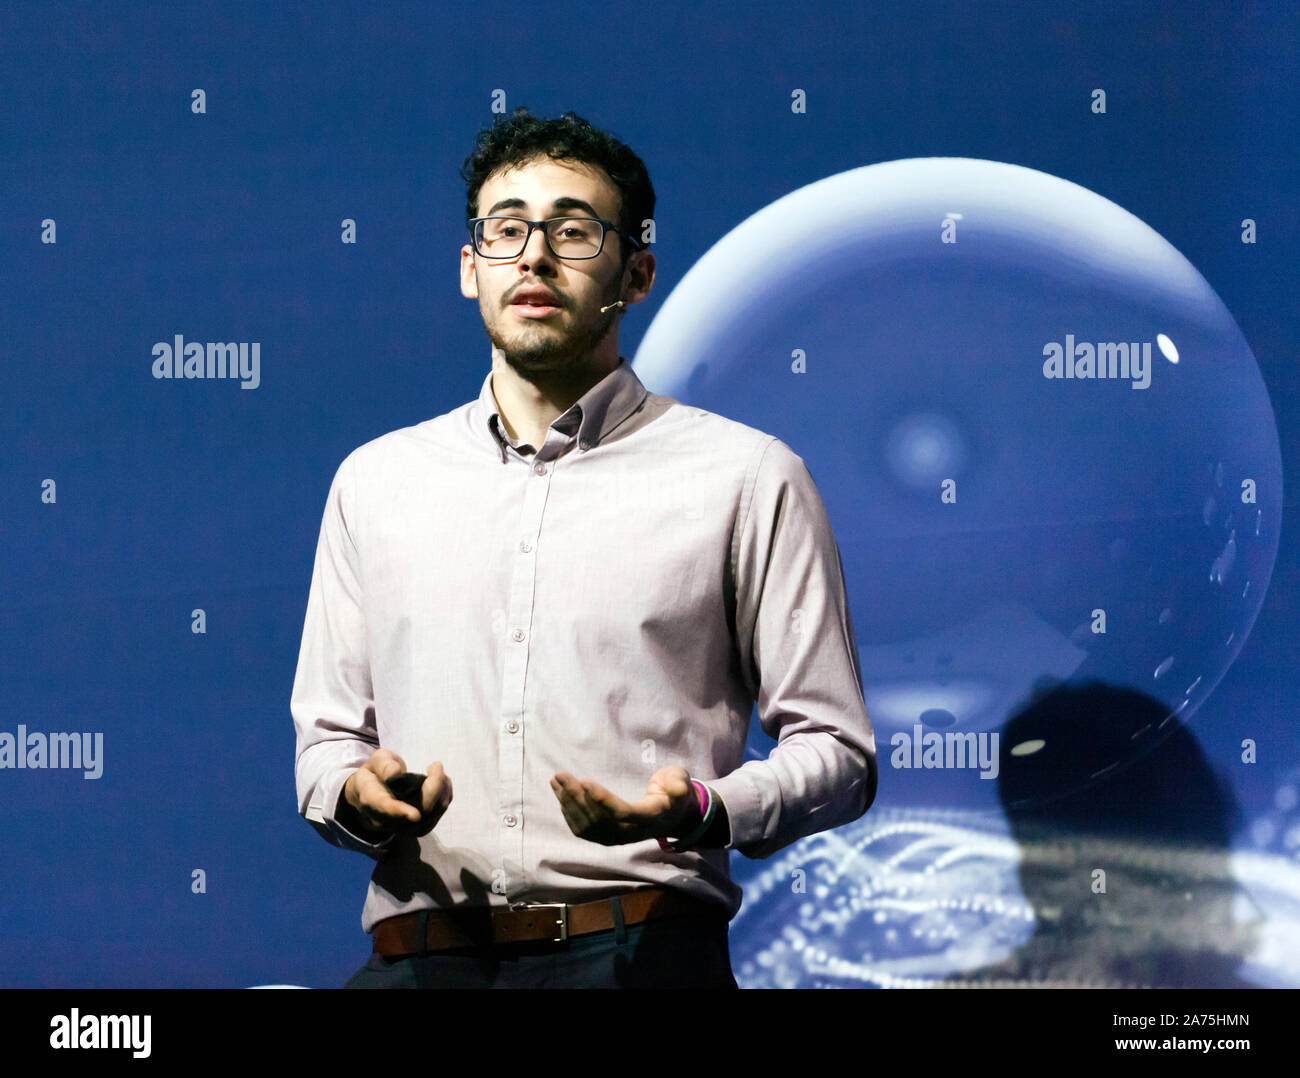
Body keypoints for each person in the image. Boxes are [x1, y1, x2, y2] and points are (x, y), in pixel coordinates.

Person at [290, 107, 877, 989]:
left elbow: (837, 750)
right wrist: (356, 798)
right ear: (469, 268)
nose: (532, 256)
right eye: (505, 229)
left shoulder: (747, 476)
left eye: (572, 230)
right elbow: (327, 744)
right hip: (420, 962)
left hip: (642, 954)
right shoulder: (375, 483)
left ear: (636, 273)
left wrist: (708, 810)